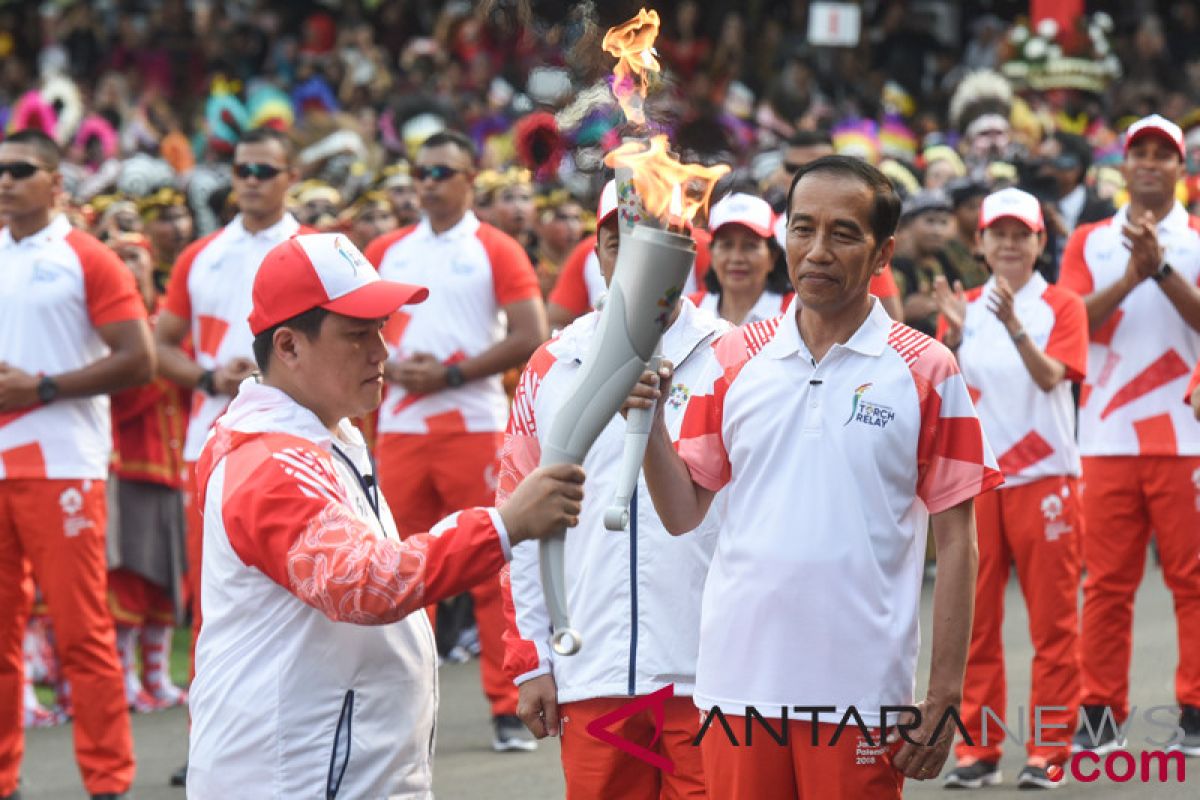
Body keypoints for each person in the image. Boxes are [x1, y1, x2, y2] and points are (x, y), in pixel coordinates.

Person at [626, 155, 1002, 798]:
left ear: (882, 253)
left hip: (861, 692)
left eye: (843, 233)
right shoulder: (733, 356)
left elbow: (960, 542)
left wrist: (944, 697)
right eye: (803, 229)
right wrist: (651, 422)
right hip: (738, 687)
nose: (818, 251)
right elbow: (684, 512)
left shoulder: (927, 369)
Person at [186, 232, 585, 797]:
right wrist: (504, 525)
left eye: (381, 328)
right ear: (289, 346)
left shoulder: (323, 435)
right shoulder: (270, 461)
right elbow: (362, 584)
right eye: (357, 334)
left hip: (333, 766)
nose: (382, 350)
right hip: (295, 776)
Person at [501, 181, 727, 799]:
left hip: (708, 678)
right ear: (596, 255)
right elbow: (519, 523)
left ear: (684, 251)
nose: (633, 258)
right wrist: (532, 661)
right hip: (593, 675)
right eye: (615, 242)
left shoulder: (733, 357)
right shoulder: (552, 367)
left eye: (654, 241)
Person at [364, 129, 548, 752]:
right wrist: (393, 370)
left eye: (442, 171)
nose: (428, 182)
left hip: (473, 425)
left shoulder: (494, 247)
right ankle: (403, 712)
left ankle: (507, 705)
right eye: (420, 170)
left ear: (470, 178)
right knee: (401, 574)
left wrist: (451, 374)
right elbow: (353, 332)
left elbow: (531, 331)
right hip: (402, 431)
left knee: (491, 568)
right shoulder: (386, 249)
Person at [0, 129, 154, 800]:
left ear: (56, 181)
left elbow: (138, 359)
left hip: (62, 463)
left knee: (80, 627)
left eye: (20, 169)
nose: (4, 180)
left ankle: (107, 781)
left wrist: (46, 386)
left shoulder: (85, 257)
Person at [155, 126, 309, 786]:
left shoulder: (316, 251)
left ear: (288, 177)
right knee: (213, 605)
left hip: (296, 444)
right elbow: (160, 344)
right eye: (241, 168)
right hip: (211, 447)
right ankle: (208, 743)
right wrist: (200, 377)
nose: (249, 180)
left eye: (264, 170)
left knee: (300, 603)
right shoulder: (201, 256)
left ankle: (299, 731)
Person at [934, 188, 1088, 789]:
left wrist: (1013, 327)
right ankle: (979, 748)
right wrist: (951, 341)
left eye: (1020, 234)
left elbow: (1055, 377)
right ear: (981, 243)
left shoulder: (1062, 306)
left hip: (1046, 478)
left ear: (1039, 242)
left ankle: (1051, 749)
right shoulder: (964, 306)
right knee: (976, 622)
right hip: (984, 483)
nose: (1008, 244)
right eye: (997, 233)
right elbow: (952, 392)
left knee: (1053, 625)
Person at [1058, 114, 1200, 756]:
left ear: (1179, 169)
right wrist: (1131, 276)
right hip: (1107, 437)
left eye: (1161, 154)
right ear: (1122, 166)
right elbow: (1069, 327)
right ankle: (1099, 713)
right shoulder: (1089, 240)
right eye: (1138, 152)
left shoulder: (1196, 238)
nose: (1149, 162)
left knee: (1193, 581)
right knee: (1106, 582)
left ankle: (1195, 708)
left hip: (1186, 435)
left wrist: (1163, 271)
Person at [106, 233, 189, 714]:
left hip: (176, 470)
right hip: (132, 466)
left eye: (133, 255)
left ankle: (156, 676)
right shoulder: (114, 329)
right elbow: (123, 396)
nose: (126, 265)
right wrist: (160, 363)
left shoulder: (169, 325)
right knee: (131, 580)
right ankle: (125, 679)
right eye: (115, 257)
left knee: (167, 583)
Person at [689, 192, 792, 324]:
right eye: (726, 245)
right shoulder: (689, 311)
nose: (736, 258)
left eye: (750, 246)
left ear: (772, 256)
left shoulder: (795, 314)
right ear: (712, 254)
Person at [892, 188, 957, 334]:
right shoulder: (891, 266)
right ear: (908, 224)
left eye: (943, 222)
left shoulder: (939, 263)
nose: (937, 231)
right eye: (930, 221)